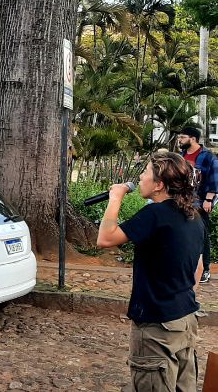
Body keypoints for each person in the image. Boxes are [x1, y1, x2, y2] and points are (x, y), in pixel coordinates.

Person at [97, 152, 204, 391]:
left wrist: (115, 197)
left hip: (157, 325)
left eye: (145, 173)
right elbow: (198, 268)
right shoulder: (194, 216)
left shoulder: (154, 214)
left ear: (159, 185)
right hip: (186, 319)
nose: (140, 178)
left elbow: (105, 238)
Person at [177, 126, 217, 283]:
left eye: (182, 137)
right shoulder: (182, 155)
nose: (179, 140)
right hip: (183, 200)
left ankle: (205, 269)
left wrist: (209, 199)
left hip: (200, 202)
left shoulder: (207, 156)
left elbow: (214, 177)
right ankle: (188, 267)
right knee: (184, 233)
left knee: (202, 234)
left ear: (192, 139)